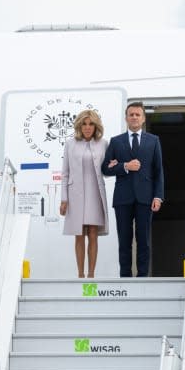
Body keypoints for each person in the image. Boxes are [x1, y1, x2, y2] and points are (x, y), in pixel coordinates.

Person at [102, 102, 164, 277]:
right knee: (124, 240)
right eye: (131, 114)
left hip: (146, 197)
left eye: (138, 114)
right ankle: (125, 277)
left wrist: (158, 196)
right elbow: (105, 169)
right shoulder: (116, 141)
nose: (134, 117)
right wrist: (125, 166)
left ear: (143, 118)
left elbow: (158, 171)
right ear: (126, 118)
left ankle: (143, 276)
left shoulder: (153, 141)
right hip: (123, 198)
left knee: (143, 240)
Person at [59, 110, 109, 278]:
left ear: (96, 126)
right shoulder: (70, 144)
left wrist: (114, 165)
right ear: (79, 126)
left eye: (91, 124)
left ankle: (91, 275)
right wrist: (64, 199)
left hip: (95, 192)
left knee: (93, 234)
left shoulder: (103, 144)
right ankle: (80, 275)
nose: (88, 128)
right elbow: (65, 173)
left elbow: (107, 171)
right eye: (84, 124)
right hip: (75, 194)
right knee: (79, 235)